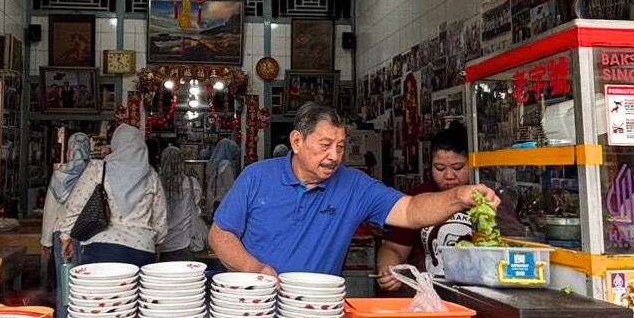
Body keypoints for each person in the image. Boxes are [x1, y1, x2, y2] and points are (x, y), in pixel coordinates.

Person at [209, 103, 497, 278]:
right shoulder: (257, 176)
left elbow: (410, 211)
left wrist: (458, 197)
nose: (335, 155)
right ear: (297, 141)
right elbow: (220, 234)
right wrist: (256, 270)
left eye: (341, 146)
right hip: (251, 305)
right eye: (325, 145)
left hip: (316, 313)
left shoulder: (354, 185)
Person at [375, 122, 474, 290]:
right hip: (426, 295)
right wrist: (388, 271)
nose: (449, 175)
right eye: (440, 168)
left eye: (458, 167)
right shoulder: (417, 198)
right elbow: (393, 248)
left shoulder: (486, 197)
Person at [56, 124, 167, 268]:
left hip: (101, 249)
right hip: (142, 251)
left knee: (100, 291)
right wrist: (156, 243)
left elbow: (77, 204)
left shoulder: (99, 169)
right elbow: (160, 218)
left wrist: (66, 236)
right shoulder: (151, 176)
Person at [40, 132, 91, 296]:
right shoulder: (93, 172)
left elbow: (50, 210)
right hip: (87, 234)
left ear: (69, 150)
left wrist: (46, 241)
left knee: (66, 284)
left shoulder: (60, 175)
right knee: (84, 284)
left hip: (61, 235)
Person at [157, 147, 205, 262]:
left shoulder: (156, 184)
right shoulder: (192, 183)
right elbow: (197, 211)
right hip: (185, 243)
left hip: (161, 245)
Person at [204, 137, 241, 218]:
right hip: (223, 202)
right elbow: (230, 186)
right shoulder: (226, 165)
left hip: (214, 201)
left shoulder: (213, 164)